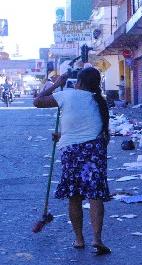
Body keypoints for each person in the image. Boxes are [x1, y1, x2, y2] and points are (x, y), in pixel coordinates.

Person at [33, 67, 112, 255]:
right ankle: (97, 239)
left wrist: (57, 84)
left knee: (74, 196)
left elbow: (37, 101)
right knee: (95, 195)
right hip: (94, 150)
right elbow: (88, 126)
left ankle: (79, 239)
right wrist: (63, 134)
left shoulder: (67, 95)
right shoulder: (98, 101)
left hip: (71, 151)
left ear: (80, 82)